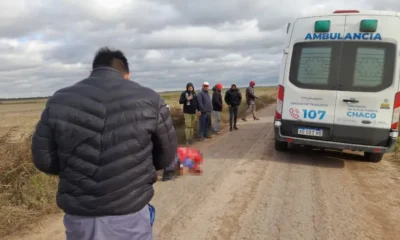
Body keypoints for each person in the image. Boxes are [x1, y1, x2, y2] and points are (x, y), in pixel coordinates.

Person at [31, 47, 177, 240]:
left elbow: (44, 160)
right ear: (127, 74)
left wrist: (76, 171)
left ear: (92, 71)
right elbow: (166, 156)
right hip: (130, 211)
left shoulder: (59, 100)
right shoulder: (150, 99)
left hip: (81, 215)